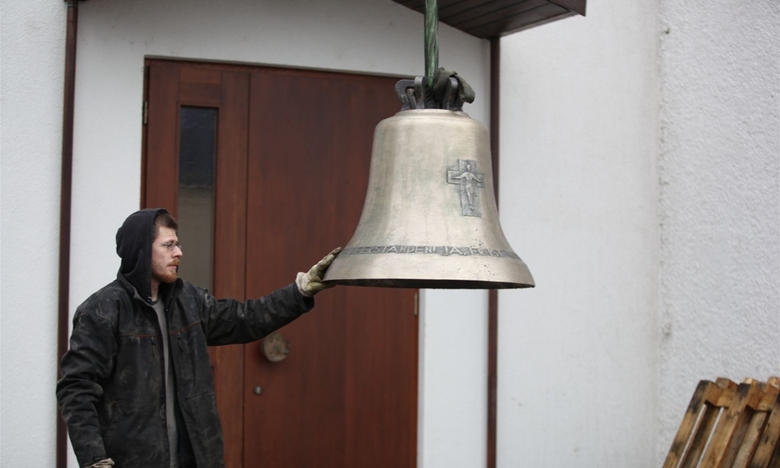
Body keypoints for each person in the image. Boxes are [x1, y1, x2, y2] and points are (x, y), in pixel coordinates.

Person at [56, 208, 340, 468]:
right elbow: (76, 388)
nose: (178, 252)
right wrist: (94, 458)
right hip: (133, 460)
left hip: (197, 458)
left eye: (177, 244)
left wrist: (301, 290)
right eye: (168, 245)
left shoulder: (189, 300)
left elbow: (246, 318)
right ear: (141, 251)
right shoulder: (103, 311)